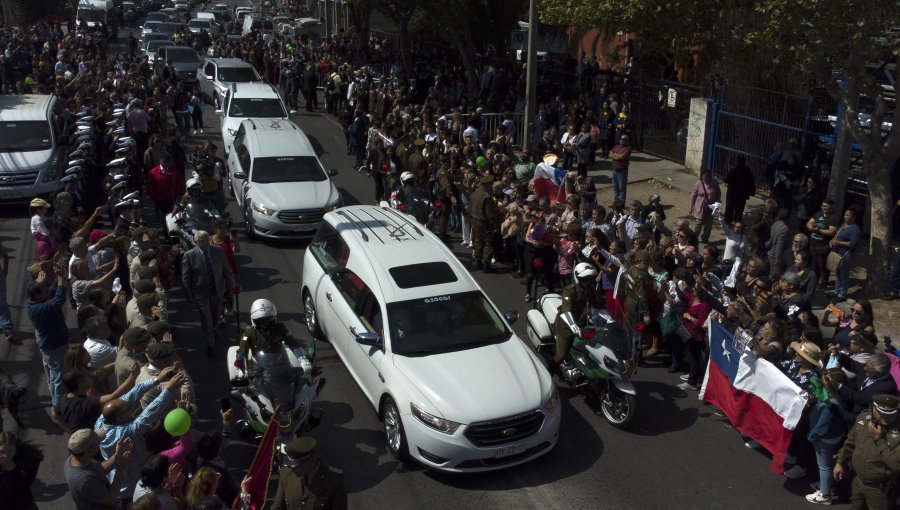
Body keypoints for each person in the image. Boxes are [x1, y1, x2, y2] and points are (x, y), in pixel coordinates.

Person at [95, 369, 185, 504]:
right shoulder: (123, 433)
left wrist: (157, 380)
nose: (131, 409)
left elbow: (131, 395)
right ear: (118, 418)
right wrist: (168, 390)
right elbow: (148, 414)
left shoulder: (103, 420)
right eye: (127, 410)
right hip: (127, 488)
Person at [26, 257, 70, 430]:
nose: (48, 292)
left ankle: (55, 401)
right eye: (44, 291)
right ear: (37, 296)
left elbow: (52, 291)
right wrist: (60, 279)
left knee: (54, 377)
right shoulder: (39, 309)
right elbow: (58, 299)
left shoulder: (38, 301)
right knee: (59, 379)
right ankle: (58, 409)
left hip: (52, 346)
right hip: (54, 347)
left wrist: (55, 277)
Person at [834, 394, 900, 508]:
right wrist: (840, 462)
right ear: (873, 408)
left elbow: (896, 464)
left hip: (880, 489)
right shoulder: (863, 419)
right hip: (857, 482)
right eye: (881, 413)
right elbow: (850, 442)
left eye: (890, 414)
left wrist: (879, 440)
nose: (885, 417)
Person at [181, 230, 237, 357]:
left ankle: (213, 328)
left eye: (207, 239)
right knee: (206, 319)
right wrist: (188, 294)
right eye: (202, 241)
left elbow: (226, 270)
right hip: (201, 294)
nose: (206, 243)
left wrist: (231, 285)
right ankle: (210, 344)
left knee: (216, 315)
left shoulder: (218, 251)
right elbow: (185, 277)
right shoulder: (189, 255)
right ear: (196, 242)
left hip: (218, 292)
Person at [64, 429, 133, 510]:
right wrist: (121, 469)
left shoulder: (76, 458)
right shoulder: (85, 481)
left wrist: (117, 455)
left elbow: (99, 469)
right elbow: (111, 500)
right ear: (89, 450)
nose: (100, 442)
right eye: (97, 442)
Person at [271, 437, 347, 510]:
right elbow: (277, 507)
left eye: (297, 464)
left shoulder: (334, 480)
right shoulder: (286, 474)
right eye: (290, 464)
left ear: (312, 459)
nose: (292, 468)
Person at [550, 262, 598, 372]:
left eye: (591, 279)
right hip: (566, 326)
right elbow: (566, 310)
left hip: (583, 324)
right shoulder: (569, 290)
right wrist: (574, 327)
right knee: (560, 355)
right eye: (586, 279)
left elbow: (597, 306)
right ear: (578, 278)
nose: (588, 282)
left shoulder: (591, 289)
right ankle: (550, 374)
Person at [236, 299, 303, 364]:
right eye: (260, 321)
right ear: (255, 321)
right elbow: (242, 348)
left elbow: (293, 343)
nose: (265, 324)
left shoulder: (280, 328)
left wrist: (303, 359)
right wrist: (240, 363)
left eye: (268, 320)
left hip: (279, 363)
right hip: (257, 366)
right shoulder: (249, 332)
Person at [0, 431, 43, 510]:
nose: (6, 455)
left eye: (10, 451)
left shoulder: (26, 460)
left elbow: (25, 486)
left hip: (24, 505)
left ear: (15, 448)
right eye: (1, 452)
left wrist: (13, 471)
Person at [468, 174, 501, 272]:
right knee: (488, 243)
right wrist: (496, 225)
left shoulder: (475, 193)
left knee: (477, 242)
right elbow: (490, 214)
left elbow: (469, 208)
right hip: (484, 222)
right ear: (486, 184)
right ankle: (486, 264)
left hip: (475, 221)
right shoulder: (486, 196)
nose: (491, 186)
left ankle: (478, 262)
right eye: (490, 184)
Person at [829, 208, 861, 303]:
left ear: (854, 217)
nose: (846, 217)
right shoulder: (843, 224)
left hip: (846, 255)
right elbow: (837, 234)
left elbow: (853, 243)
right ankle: (837, 291)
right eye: (845, 215)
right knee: (838, 273)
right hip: (838, 253)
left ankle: (842, 294)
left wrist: (838, 242)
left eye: (848, 215)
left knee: (844, 274)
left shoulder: (855, 229)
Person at [689, 171, 721, 244]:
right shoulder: (698, 184)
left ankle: (705, 239)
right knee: (698, 225)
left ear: (710, 176)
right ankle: (694, 239)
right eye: (704, 177)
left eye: (707, 177)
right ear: (702, 177)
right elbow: (693, 196)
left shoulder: (715, 184)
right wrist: (690, 207)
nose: (706, 179)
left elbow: (718, 192)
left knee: (708, 226)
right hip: (700, 208)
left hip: (710, 208)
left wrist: (717, 202)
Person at [723, 157, 755, 224]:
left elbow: (726, 180)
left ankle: (728, 222)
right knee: (739, 210)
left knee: (730, 208)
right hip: (742, 196)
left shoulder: (733, 171)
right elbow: (752, 182)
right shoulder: (748, 172)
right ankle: (737, 223)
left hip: (732, 195)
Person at [609, 134, 632, 203]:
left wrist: (614, 155)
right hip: (615, 170)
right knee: (615, 187)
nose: (622, 140)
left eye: (623, 139)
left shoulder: (628, 148)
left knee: (622, 188)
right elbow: (609, 154)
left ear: (627, 141)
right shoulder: (616, 146)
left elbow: (622, 157)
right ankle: (616, 202)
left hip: (622, 171)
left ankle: (621, 203)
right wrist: (616, 156)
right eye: (621, 139)